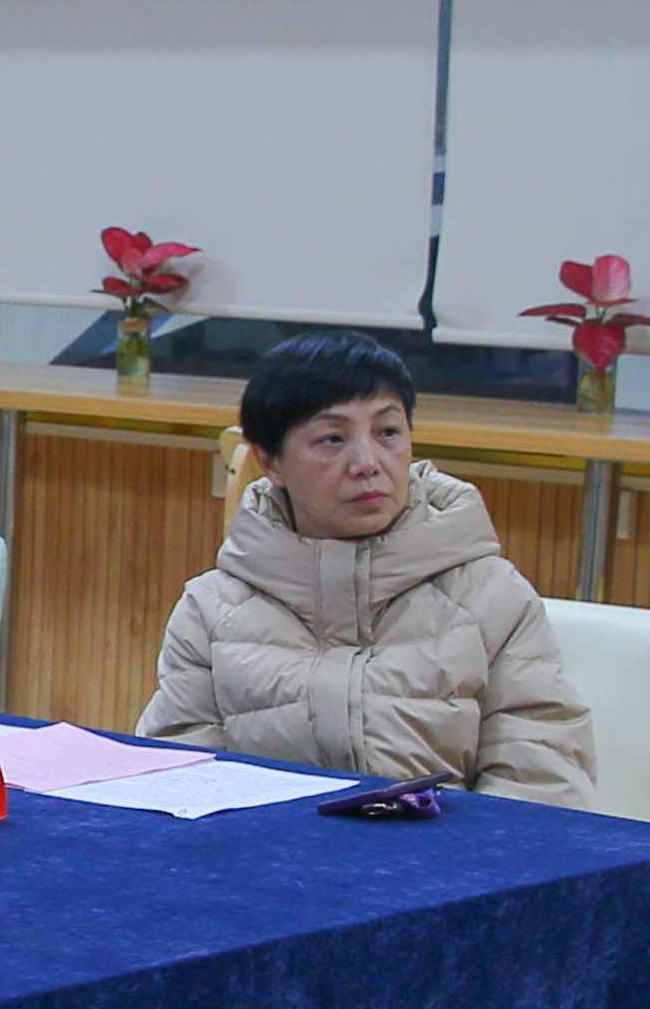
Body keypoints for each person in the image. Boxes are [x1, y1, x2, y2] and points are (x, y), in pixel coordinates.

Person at [142, 329, 593, 801]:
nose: (367, 463)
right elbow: (179, 778)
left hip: (447, 846)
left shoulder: (491, 595)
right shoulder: (212, 610)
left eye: (388, 433)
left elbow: (542, 778)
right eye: (332, 439)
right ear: (271, 462)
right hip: (267, 845)